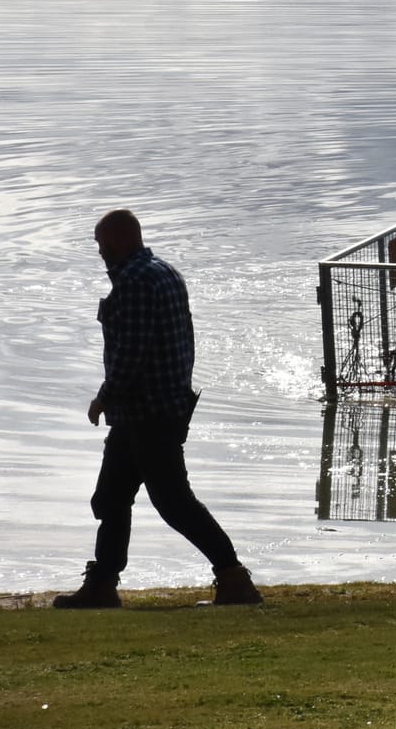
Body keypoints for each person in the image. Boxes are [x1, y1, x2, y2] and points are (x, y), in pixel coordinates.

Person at [53, 210, 261, 609]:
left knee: (174, 503)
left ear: (117, 240)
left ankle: (234, 577)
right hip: (155, 408)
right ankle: (102, 585)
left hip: (147, 413)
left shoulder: (134, 281)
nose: (100, 252)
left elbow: (131, 353)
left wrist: (103, 396)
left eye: (101, 244)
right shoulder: (165, 272)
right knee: (111, 498)